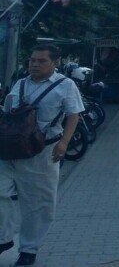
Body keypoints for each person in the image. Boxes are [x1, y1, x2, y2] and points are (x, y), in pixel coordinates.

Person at [0, 44, 84, 265]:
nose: (34, 64)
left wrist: (64, 143)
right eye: (32, 60)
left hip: (43, 152)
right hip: (10, 151)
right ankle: (3, 238)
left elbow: (74, 114)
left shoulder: (66, 86)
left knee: (38, 204)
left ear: (55, 63)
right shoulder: (20, 84)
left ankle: (28, 250)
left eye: (41, 61)